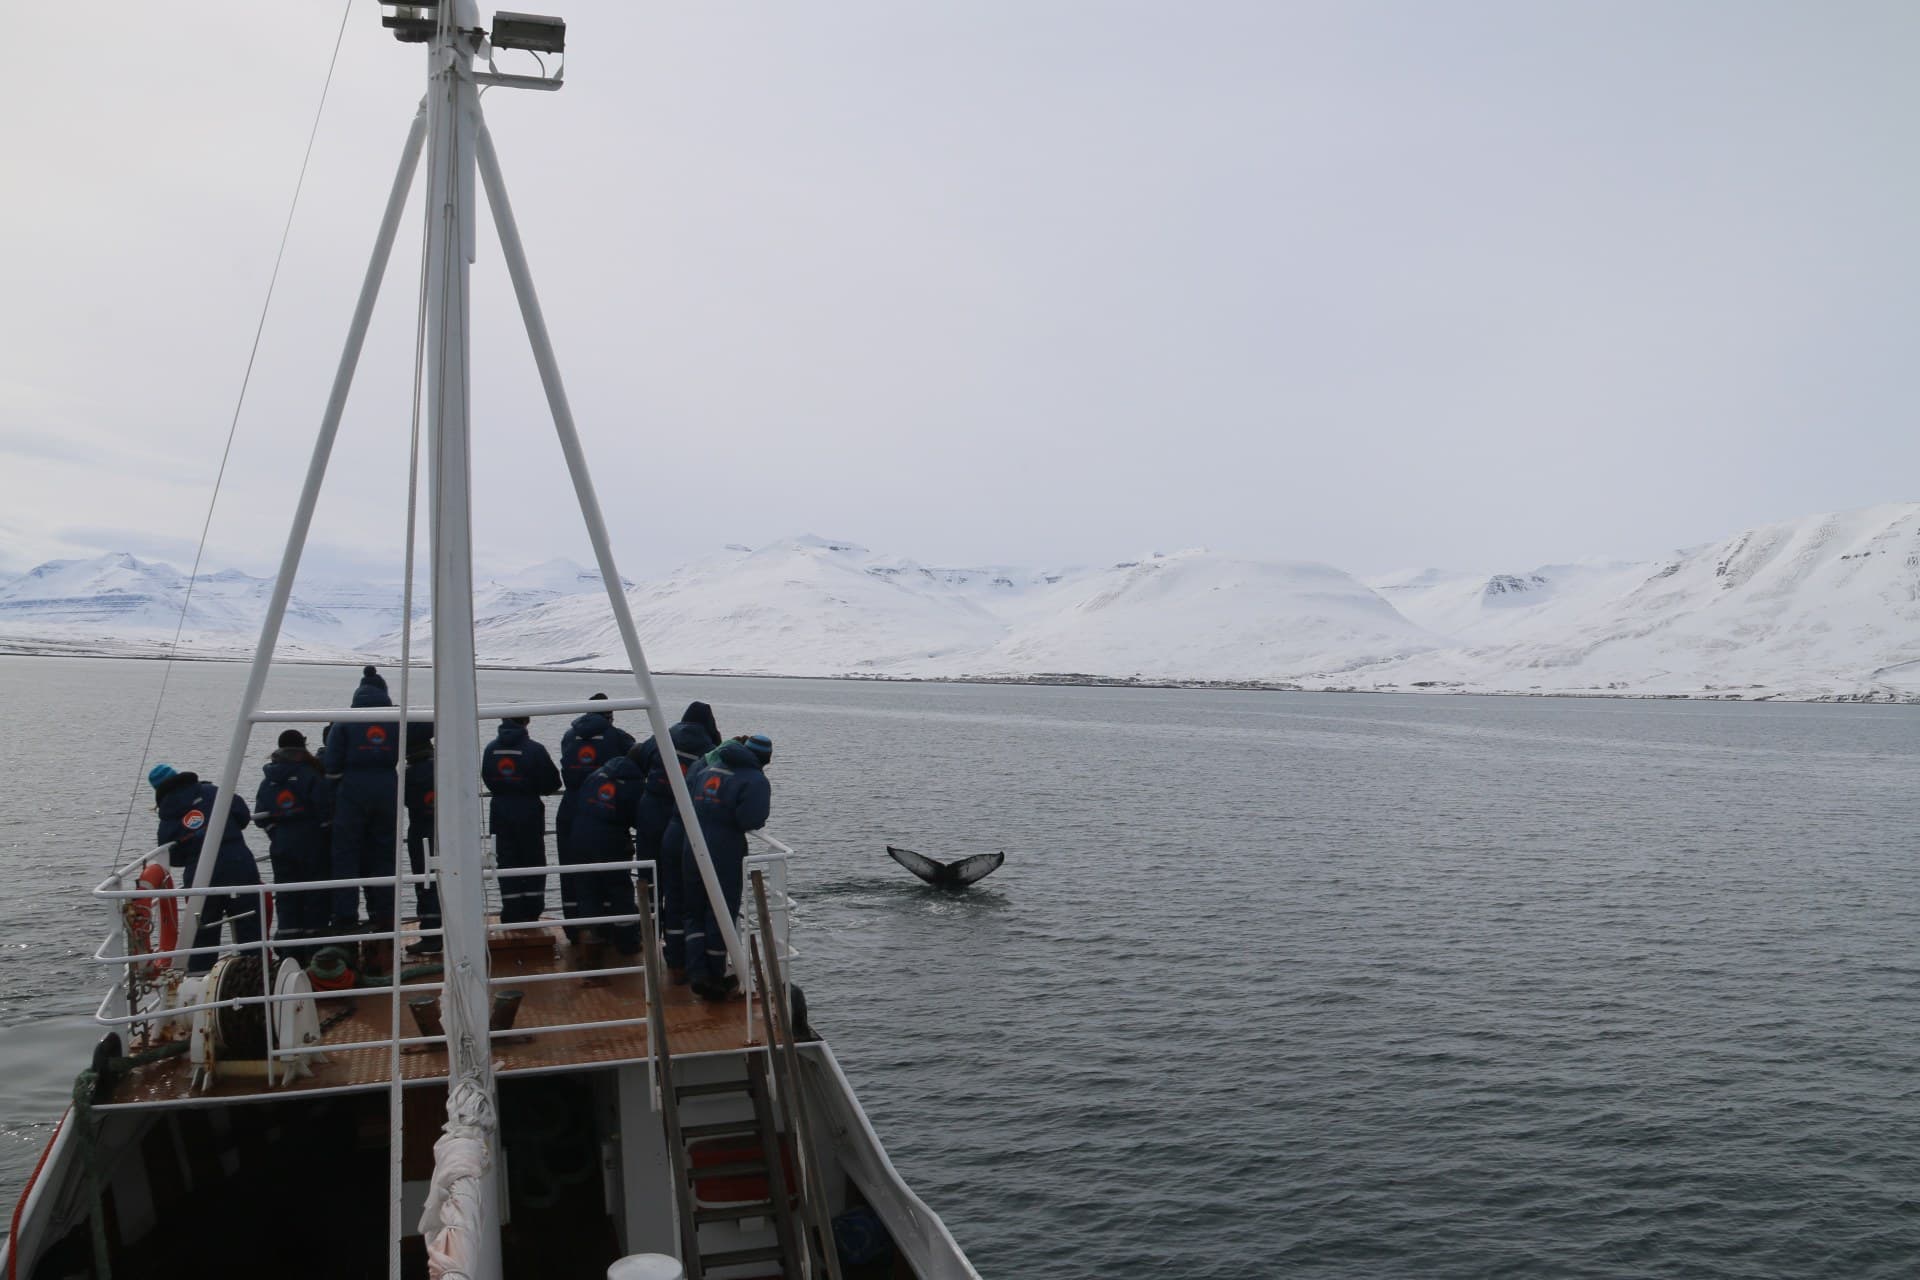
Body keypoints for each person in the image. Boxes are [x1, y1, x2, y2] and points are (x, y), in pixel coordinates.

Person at [629, 700, 720, 977]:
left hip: (651, 813)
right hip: (682, 821)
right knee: (679, 888)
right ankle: (676, 955)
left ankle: (646, 933)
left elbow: (636, 757)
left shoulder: (663, 735)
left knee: (648, 876)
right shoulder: (709, 750)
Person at [682, 734, 773, 1001]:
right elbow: (751, 819)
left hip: (692, 845)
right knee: (721, 909)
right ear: (765, 759)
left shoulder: (709, 767)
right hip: (724, 848)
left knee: (694, 909)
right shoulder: (754, 779)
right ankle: (715, 974)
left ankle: (696, 971)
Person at [150, 764, 264, 974]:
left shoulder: (168, 814)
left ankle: (200, 986)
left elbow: (171, 855)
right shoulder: (212, 792)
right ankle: (256, 979)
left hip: (200, 874)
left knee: (202, 935)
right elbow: (242, 815)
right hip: (238, 863)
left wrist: (193, 848)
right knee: (249, 927)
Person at [322, 666, 400, 934]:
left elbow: (331, 764)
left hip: (352, 790)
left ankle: (345, 918)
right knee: (383, 854)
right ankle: (384, 915)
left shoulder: (345, 720)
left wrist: (335, 791)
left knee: (345, 855)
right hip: (388, 788)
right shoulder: (396, 719)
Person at [253, 729, 330, 956]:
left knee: (286, 896)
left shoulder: (269, 780)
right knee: (315, 896)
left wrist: (276, 833)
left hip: (281, 845)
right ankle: (314, 951)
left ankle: (289, 951)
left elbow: (261, 815)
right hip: (311, 842)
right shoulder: (310, 774)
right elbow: (324, 811)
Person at [482, 716, 561, 924]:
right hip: (528, 810)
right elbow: (552, 782)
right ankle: (531, 910)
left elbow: (487, 777)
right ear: (526, 722)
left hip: (499, 809)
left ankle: (511, 910)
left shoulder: (491, 749)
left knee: (506, 860)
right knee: (532, 859)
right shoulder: (534, 750)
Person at [567, 751, 646, 956]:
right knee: (620, 890)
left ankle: (590, 942)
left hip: (580, 835)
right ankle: (627, 942)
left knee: (586, 889)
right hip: (610, 841)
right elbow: (638, 818)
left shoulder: (598, 773)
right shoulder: (634, 784)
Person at [557, 694, 635, 871]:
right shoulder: (619, 738)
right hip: (605, 808)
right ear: (609, 715)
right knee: (611, 871)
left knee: (572, 869)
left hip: (571, 806)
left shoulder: (569, 736)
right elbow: (633, 768)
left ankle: (574, 900)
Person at [404, 724, 442, 955]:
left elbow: (406, 800)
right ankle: (455, 930)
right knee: (452, 879)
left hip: (421, 830)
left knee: (426, 881)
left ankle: (430, 934)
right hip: (446, 829)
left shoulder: (411, 773)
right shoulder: (444, 764)